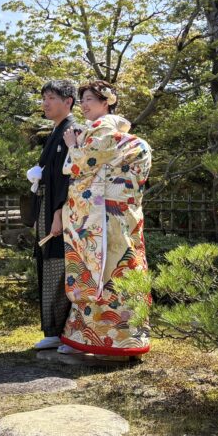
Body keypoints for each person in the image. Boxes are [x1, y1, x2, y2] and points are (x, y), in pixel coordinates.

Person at [59, 80, 152, 357]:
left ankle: (96, 339)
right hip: (123, 214)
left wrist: (72, 145)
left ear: (107, 101)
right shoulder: (115, 132)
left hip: (103, 216)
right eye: (83, 99)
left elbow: (80, 166)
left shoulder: (102, 128)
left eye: (89, 99)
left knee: (99, 270)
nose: (84, 105)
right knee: (126, 265)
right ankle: (128, 338)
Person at [29, 79, 77, 351]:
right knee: (48, 262)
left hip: (62, 210)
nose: (45, 103)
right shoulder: (56, 132)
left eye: (51, 97)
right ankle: (52, 329)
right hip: (48, 206)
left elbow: (68, 179)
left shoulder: (72, 131)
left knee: (61, 264)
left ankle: (64, 330)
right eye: (44, 97)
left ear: (68, 101)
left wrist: (59, 213)